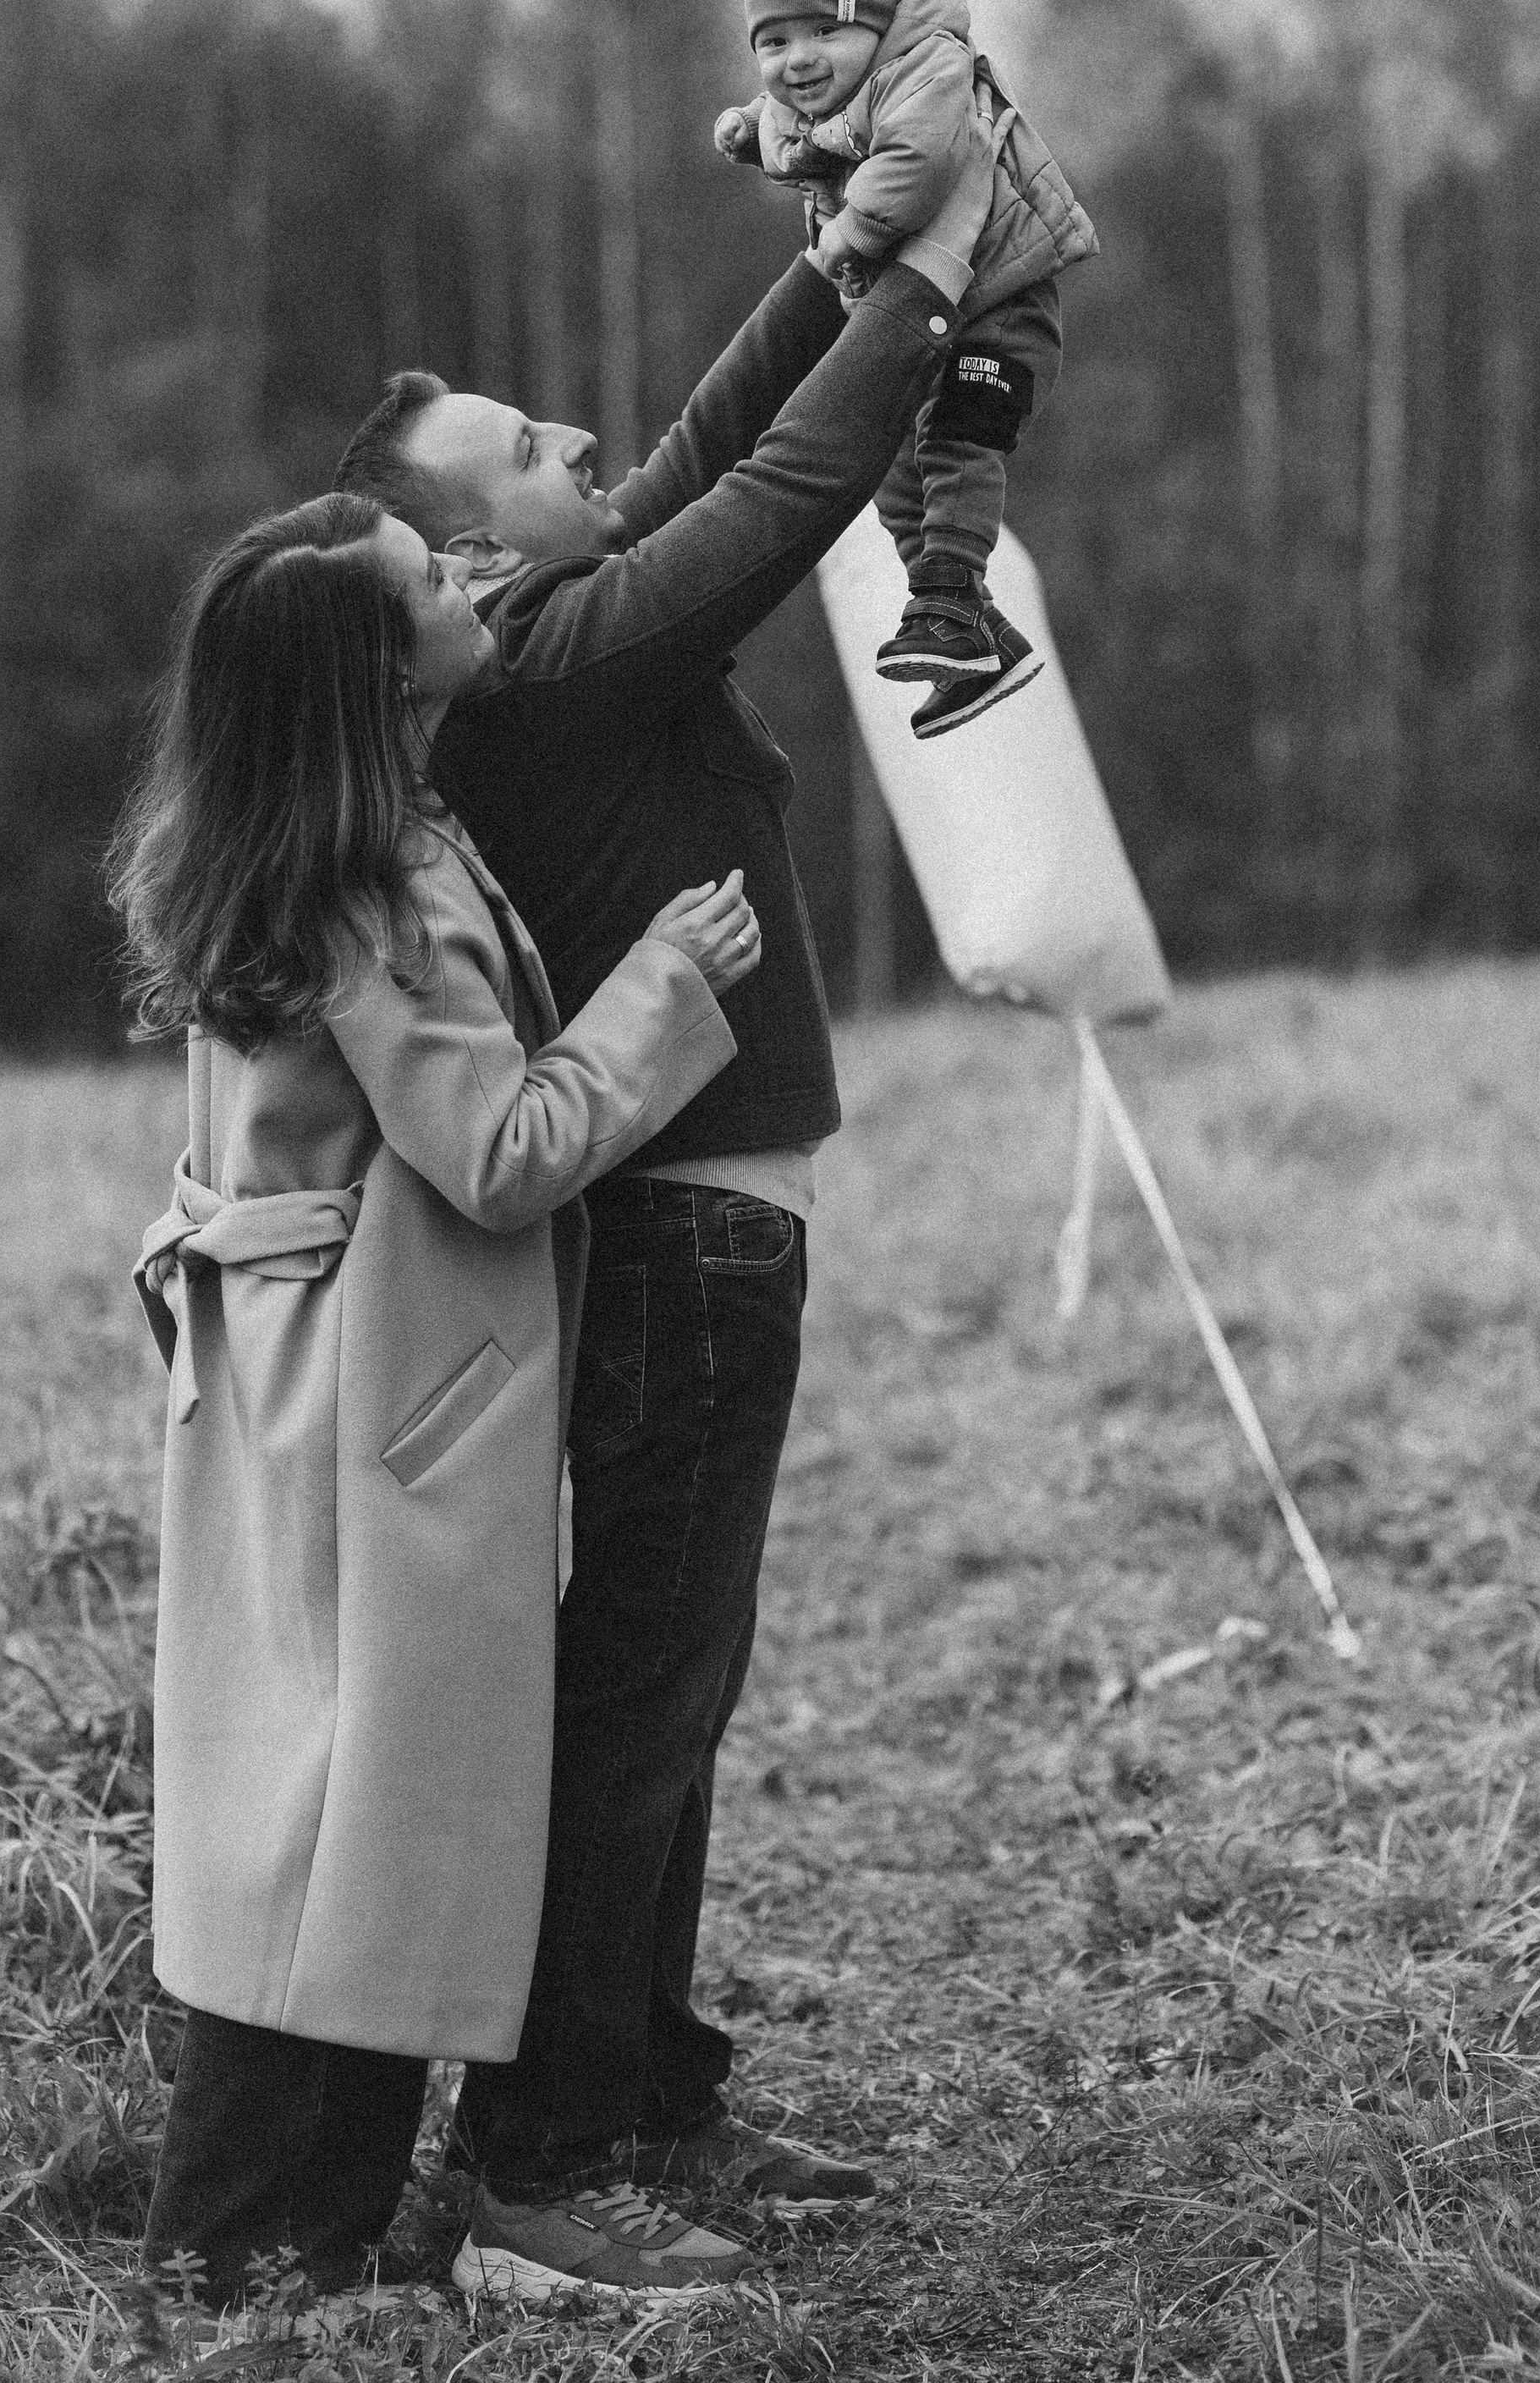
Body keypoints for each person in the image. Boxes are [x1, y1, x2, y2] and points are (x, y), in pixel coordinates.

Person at [331, 223, 960, 2278]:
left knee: (669, 1680)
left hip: (710, 1222)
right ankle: (538, 2148)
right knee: (641, 1690)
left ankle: (647, 2091)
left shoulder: (564, 618)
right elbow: (777, 489)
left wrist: (846, 250)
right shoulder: (557, 656)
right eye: (524, 447)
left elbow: (702, 434)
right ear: (474, 552)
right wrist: (938, 286)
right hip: (681, 1235)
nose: (581, 436)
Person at [108, 491, 764, 2312]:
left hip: (313, 1379)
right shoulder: (369, 888)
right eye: (432, 580)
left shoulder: (324, 838)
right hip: (371, 1398)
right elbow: (496, 1151)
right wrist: (661, 990)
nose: (472, 573)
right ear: (380, 677)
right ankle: (252, 2253)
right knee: (355, 1796)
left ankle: (271, 2236)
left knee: (327, 1790)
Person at [715, 0, 1097, 736]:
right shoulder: (816, 97)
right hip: (925, 312)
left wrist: (844, 238)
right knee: (889, 473)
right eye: (773, 44)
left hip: (1001, 304)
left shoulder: (927, 67)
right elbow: (796, 139)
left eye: (822, 34)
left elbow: (915, 165)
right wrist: (749, 136)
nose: (798, 63)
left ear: (872, 23)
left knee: (960, 442)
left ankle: (949, 597)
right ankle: (976, 640)